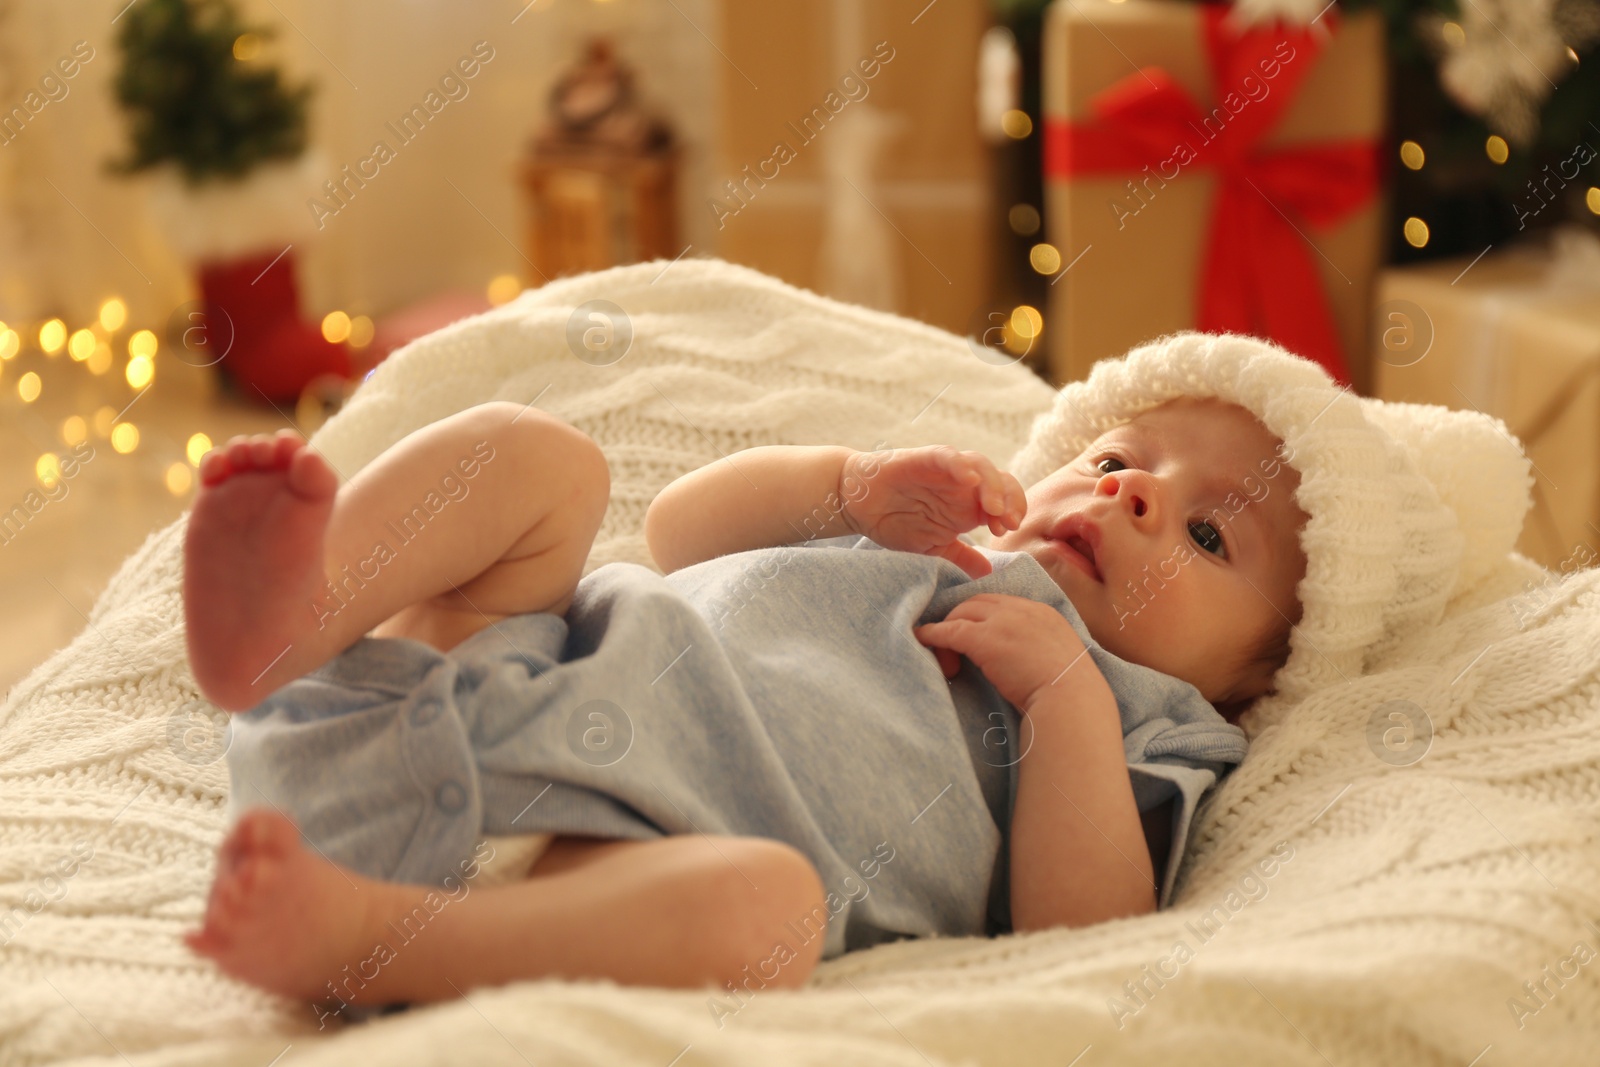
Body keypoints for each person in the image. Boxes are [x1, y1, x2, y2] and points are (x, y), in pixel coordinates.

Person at [178, 333, 1338, 1022]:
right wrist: (843, 486)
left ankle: (372, 938)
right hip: (474, 678)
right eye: (1116, 459)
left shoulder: (1154, 730)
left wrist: (1066, 705)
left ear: (1247, 679)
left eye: (1207, 536)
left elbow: (1083, 928)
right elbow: (679, 533)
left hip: (613, 858)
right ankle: (286, 623)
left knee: (763, 916)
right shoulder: (939, 538)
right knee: (540, 458)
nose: (1135, 495)